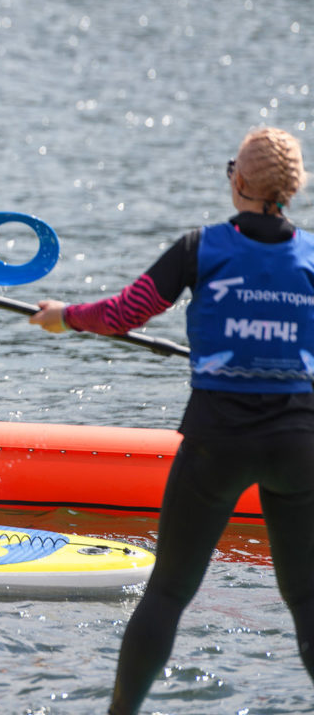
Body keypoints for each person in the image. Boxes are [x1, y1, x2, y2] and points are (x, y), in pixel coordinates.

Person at [29, 127, 314, 714]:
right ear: (293, 187)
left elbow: (125, 312)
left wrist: (65, 317)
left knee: (168, 593)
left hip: (218, 442)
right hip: (298, 444)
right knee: (307, 601)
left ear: (239, 180)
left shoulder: (201, 247)